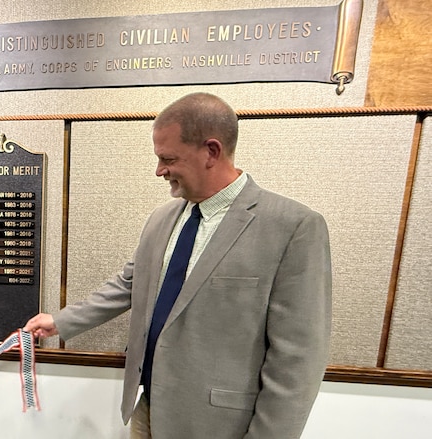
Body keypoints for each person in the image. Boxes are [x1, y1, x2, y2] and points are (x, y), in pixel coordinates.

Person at [24, 92, 331, 439]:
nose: (160, 171)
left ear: (211, 151)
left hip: (220, 427)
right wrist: (60, 321)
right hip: (149, 411)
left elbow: (298, 359)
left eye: (168, 158)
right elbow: (129, 284)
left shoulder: (293, 227)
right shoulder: (163, 217)